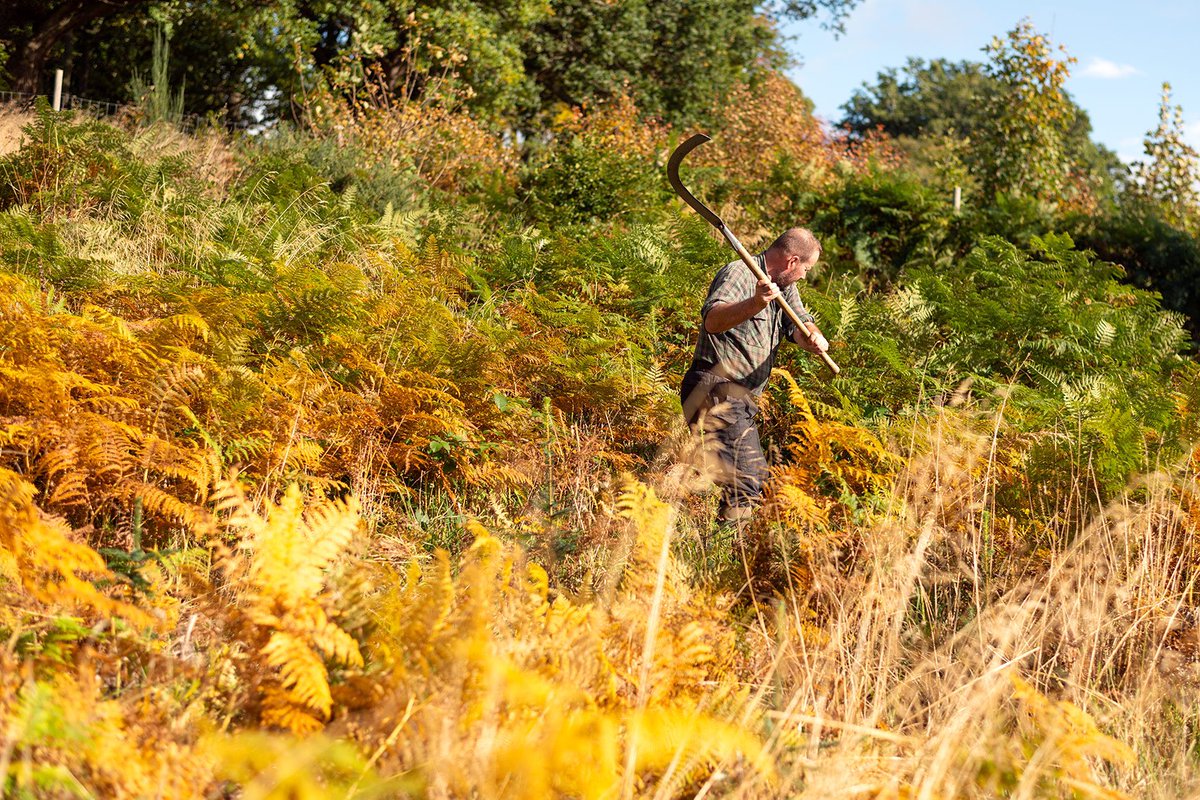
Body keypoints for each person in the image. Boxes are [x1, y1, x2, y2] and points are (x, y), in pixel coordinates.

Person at [679, 227, 830, 528]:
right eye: (806, 269)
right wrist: (756, 302)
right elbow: (713, 320)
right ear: (792, 262)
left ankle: (719, 552)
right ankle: (730, 557)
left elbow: (800, 325)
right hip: (715, 388)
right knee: (748, 481)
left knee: (744, 479)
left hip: (742, 399)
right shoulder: (739, 273)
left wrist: (813, 338)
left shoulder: (785, 288)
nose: (804, 276)